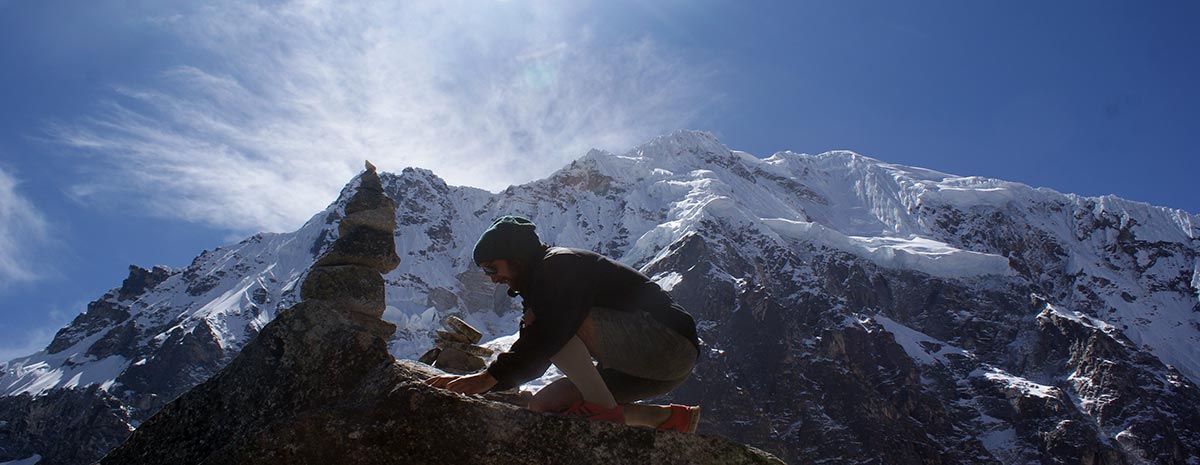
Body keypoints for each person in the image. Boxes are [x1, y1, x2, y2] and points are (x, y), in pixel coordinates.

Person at [426, 215, 702, 432]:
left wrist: (488, 377)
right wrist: (484, 383)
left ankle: (604, 411)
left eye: (491, 268)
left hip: (668, 343)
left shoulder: (560, 264)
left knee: (549, 322)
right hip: (649, 369)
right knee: (546, 405)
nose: (491, 278)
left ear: (514, 257)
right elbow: (536, 354)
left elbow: (550, 332)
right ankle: (667, 418)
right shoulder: (537, 288)